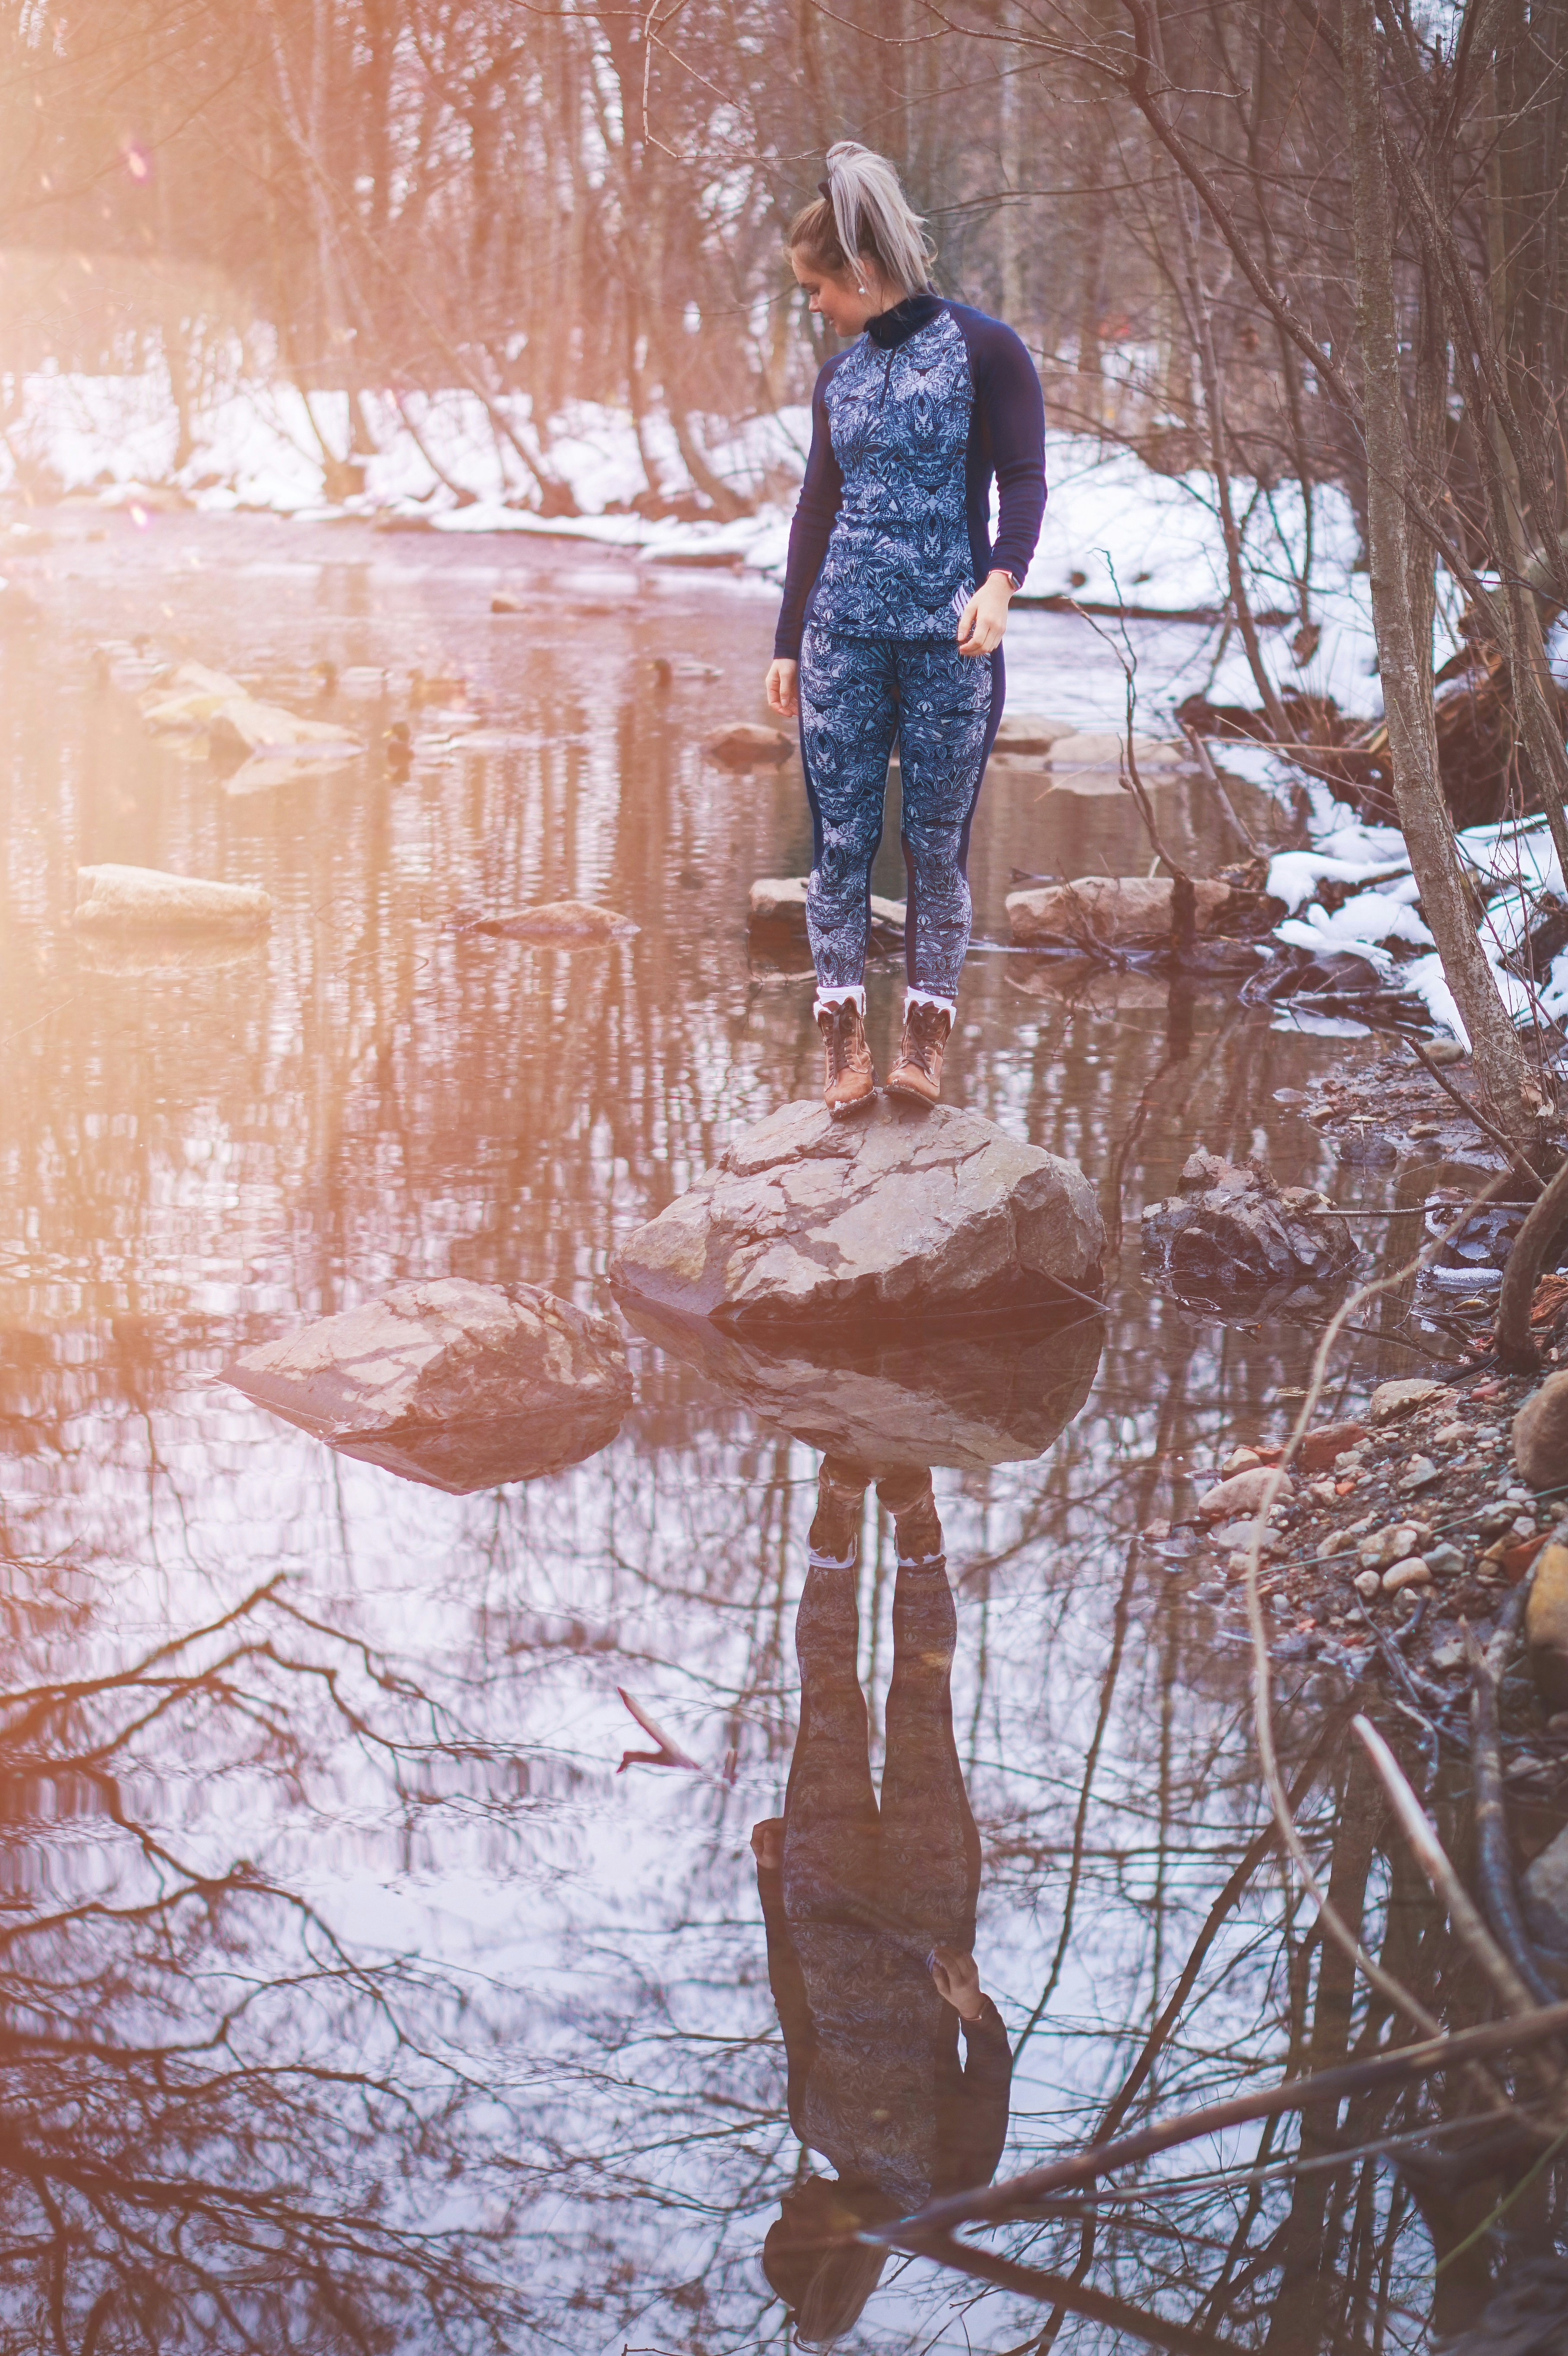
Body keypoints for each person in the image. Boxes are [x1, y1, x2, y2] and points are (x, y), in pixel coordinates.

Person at [765, 144, 1047, 1116]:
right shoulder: (836, 380)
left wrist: (1003, 582)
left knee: (937, 845)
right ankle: (842, 1045)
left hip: (950, 647)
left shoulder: (985, 350)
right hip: (843, 640)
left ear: (862, 271)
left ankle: (922, 1044)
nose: (812, 307)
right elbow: (814, 509)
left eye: (816, 289)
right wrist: (787, 641)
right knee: (838, 842)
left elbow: (1023, 478)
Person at [752, 1457, 1012, 2346]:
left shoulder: (810, 2124)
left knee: (827, 1702)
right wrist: (973, 2010)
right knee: (918, 1701)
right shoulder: (940, 2191)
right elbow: (992, 2084)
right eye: (790, 2226)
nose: (787, 2205)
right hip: (925, 1900)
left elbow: (793, 1999)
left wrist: (766, 1877)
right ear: (833, 2247)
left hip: (819, 1893)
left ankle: (833, 1530)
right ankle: (919, 1535)